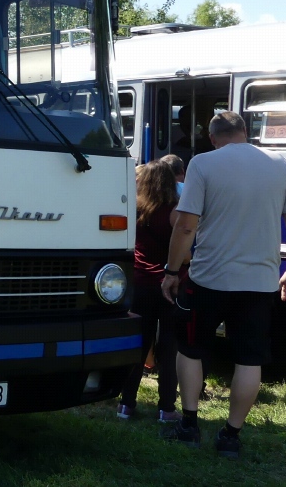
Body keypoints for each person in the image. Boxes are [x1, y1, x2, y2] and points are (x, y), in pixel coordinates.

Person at [160, 112, 286, 460]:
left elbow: (185, 226)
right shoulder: (278, 163)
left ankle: (189, 424)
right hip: (259, 281)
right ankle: (231, 435)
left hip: (209, 277)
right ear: (246, 132)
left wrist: (170, 270)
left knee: (191, 349)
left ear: (212, 138)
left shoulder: (203, 164)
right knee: (248, 359)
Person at [117, 159, 181, 423]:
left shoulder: (136, 209)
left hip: (140, 284)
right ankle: (166, 409)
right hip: (170, 286)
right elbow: (184, 253)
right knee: (169, 348)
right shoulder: (177, 212)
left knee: (138, 346)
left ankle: (126, 405)